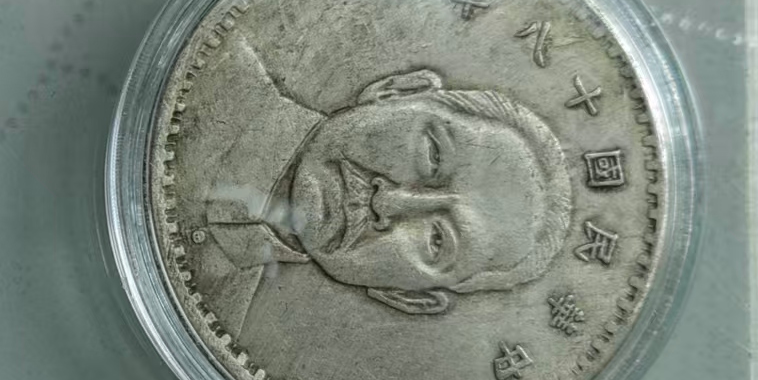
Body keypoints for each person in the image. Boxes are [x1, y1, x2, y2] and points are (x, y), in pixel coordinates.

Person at [193, 56, 572, 331]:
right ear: (398, 92)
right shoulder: (212, 74)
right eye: (432, 155)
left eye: (437, 240)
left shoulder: (213, 325)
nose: (387, 202)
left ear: (404, 296)